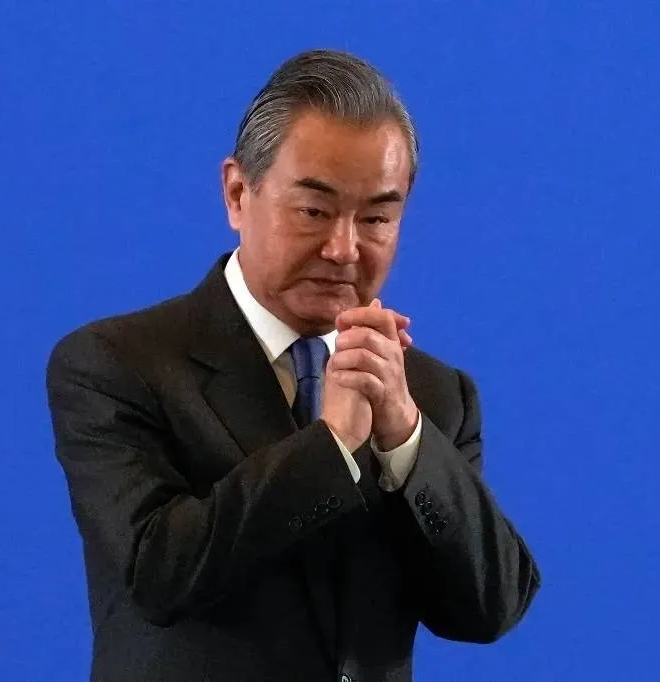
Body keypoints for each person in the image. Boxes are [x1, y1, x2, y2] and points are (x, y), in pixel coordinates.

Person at [46, 48, 540, 682]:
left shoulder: (433, 395)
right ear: (237, 193)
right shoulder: (117, 364)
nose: (344, 249)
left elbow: (490, 608)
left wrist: (406, 442)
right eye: (314, 211)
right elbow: (157, 573)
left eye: (377, 218)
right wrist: (330, 446)